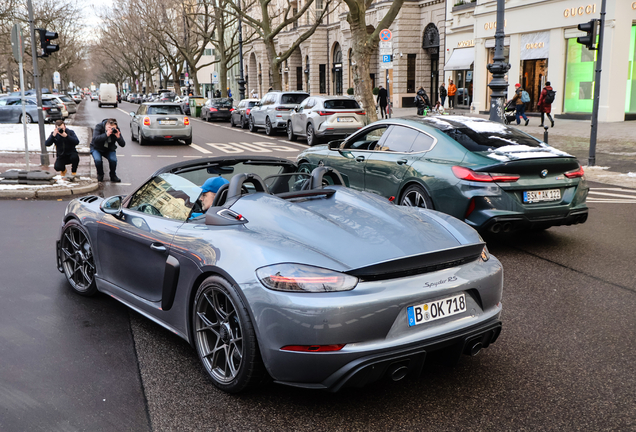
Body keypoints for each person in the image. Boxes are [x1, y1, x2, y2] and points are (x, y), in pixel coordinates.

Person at [91, 118, 125, 182]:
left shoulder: (116, 130)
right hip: (97, 148)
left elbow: (123, 144)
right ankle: (100, 174)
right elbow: (95, 139)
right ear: (106, 125)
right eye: (109, 127)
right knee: (98, 160)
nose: (111, 129)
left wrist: (118, 137)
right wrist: (106, 134)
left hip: (109, 149)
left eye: (112, 128)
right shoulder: (99, 127)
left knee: (113, 160)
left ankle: (113, 175)